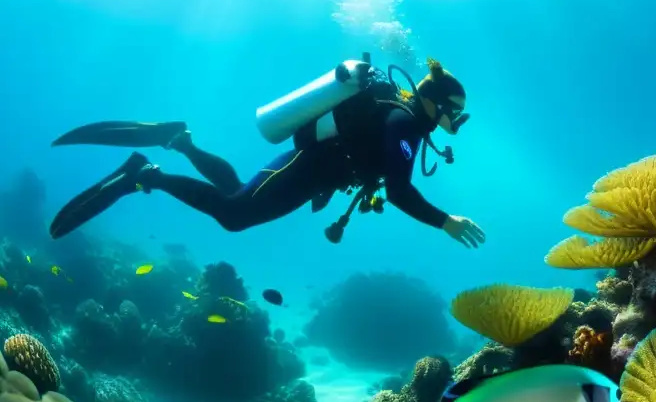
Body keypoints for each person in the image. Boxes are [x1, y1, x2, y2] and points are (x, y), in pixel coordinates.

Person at [49, 57, 486, 249]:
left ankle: (181, 141)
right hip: (306, 168)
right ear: (436, 102)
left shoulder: (401, 119)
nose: (457, 122)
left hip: (309, 171)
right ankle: (145, 174)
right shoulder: (404, 122)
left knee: (238, 194)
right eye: (456, 113)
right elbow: (398, 190)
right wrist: (445, 221)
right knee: (234, 215)